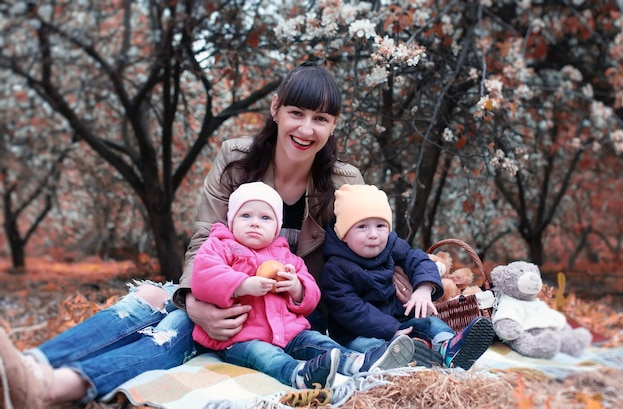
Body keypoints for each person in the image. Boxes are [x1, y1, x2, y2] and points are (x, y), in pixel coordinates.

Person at [0, 62, 368, 408]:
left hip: (288, 313)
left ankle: (50, 387)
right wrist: (194, 300)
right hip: (223, 291)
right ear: (275, 108)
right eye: (297, 113)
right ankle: (27, 367)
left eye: (320, 119)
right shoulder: (237, 159)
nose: (306, 129)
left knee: (177, 326)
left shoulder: (344, 184)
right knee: (149, 295)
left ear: (333, 125)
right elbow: (205, 236)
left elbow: (367, 255)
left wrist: (417, 287)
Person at [191, 181, 415, 389]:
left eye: (265, 218)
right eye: (246, 215)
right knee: (266, 356)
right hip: (243, 337)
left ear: (277, 226)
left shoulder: (284, 255)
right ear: (232, 221)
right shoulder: (221, 246)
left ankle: (358, 363)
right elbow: (202, 277)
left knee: (319, 341)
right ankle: (299, 374)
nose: (255, 223)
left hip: (289, 332)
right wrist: (242, 285)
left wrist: (296, 287)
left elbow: (312, 295)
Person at [320, 184, 495, 370]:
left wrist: (424, 288)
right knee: (363, 347)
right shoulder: (336, 268)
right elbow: (351, 310)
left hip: (401, 320)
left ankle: (450, 346)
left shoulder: (392, 245)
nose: (373, 235)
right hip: (357, 332)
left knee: (429, 323)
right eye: (362, 227)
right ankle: (406, 359)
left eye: (380, 226)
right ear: (343, 234)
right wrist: (390, 330)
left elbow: (419, 260)